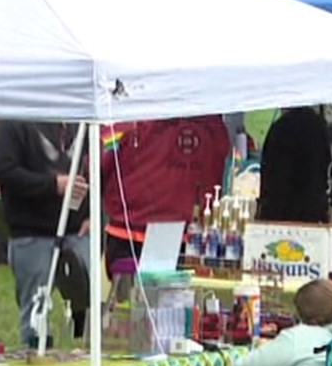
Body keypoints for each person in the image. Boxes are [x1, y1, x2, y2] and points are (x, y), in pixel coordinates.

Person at [0, 121, 91, 348]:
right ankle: (37, 362)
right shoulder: (17, 122)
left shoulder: (83, 121)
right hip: (32, 233)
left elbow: (101, 171)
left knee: (89, 305)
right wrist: (52, 184)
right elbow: (1, 170)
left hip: (79, 232)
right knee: (36, 311)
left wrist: (96, 214)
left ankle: (86, 363)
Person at [99, 115, 232, 276]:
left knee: (130, 298)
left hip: (133, 236)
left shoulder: (127, 114)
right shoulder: (213, 120)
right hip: (186, 239)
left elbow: (97, 167)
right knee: (185, 299)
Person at [255, 106, 332, 223]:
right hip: (315, 216)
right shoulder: (325, 128)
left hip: (280, 216)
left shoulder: (279, 128)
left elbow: (270, 178)